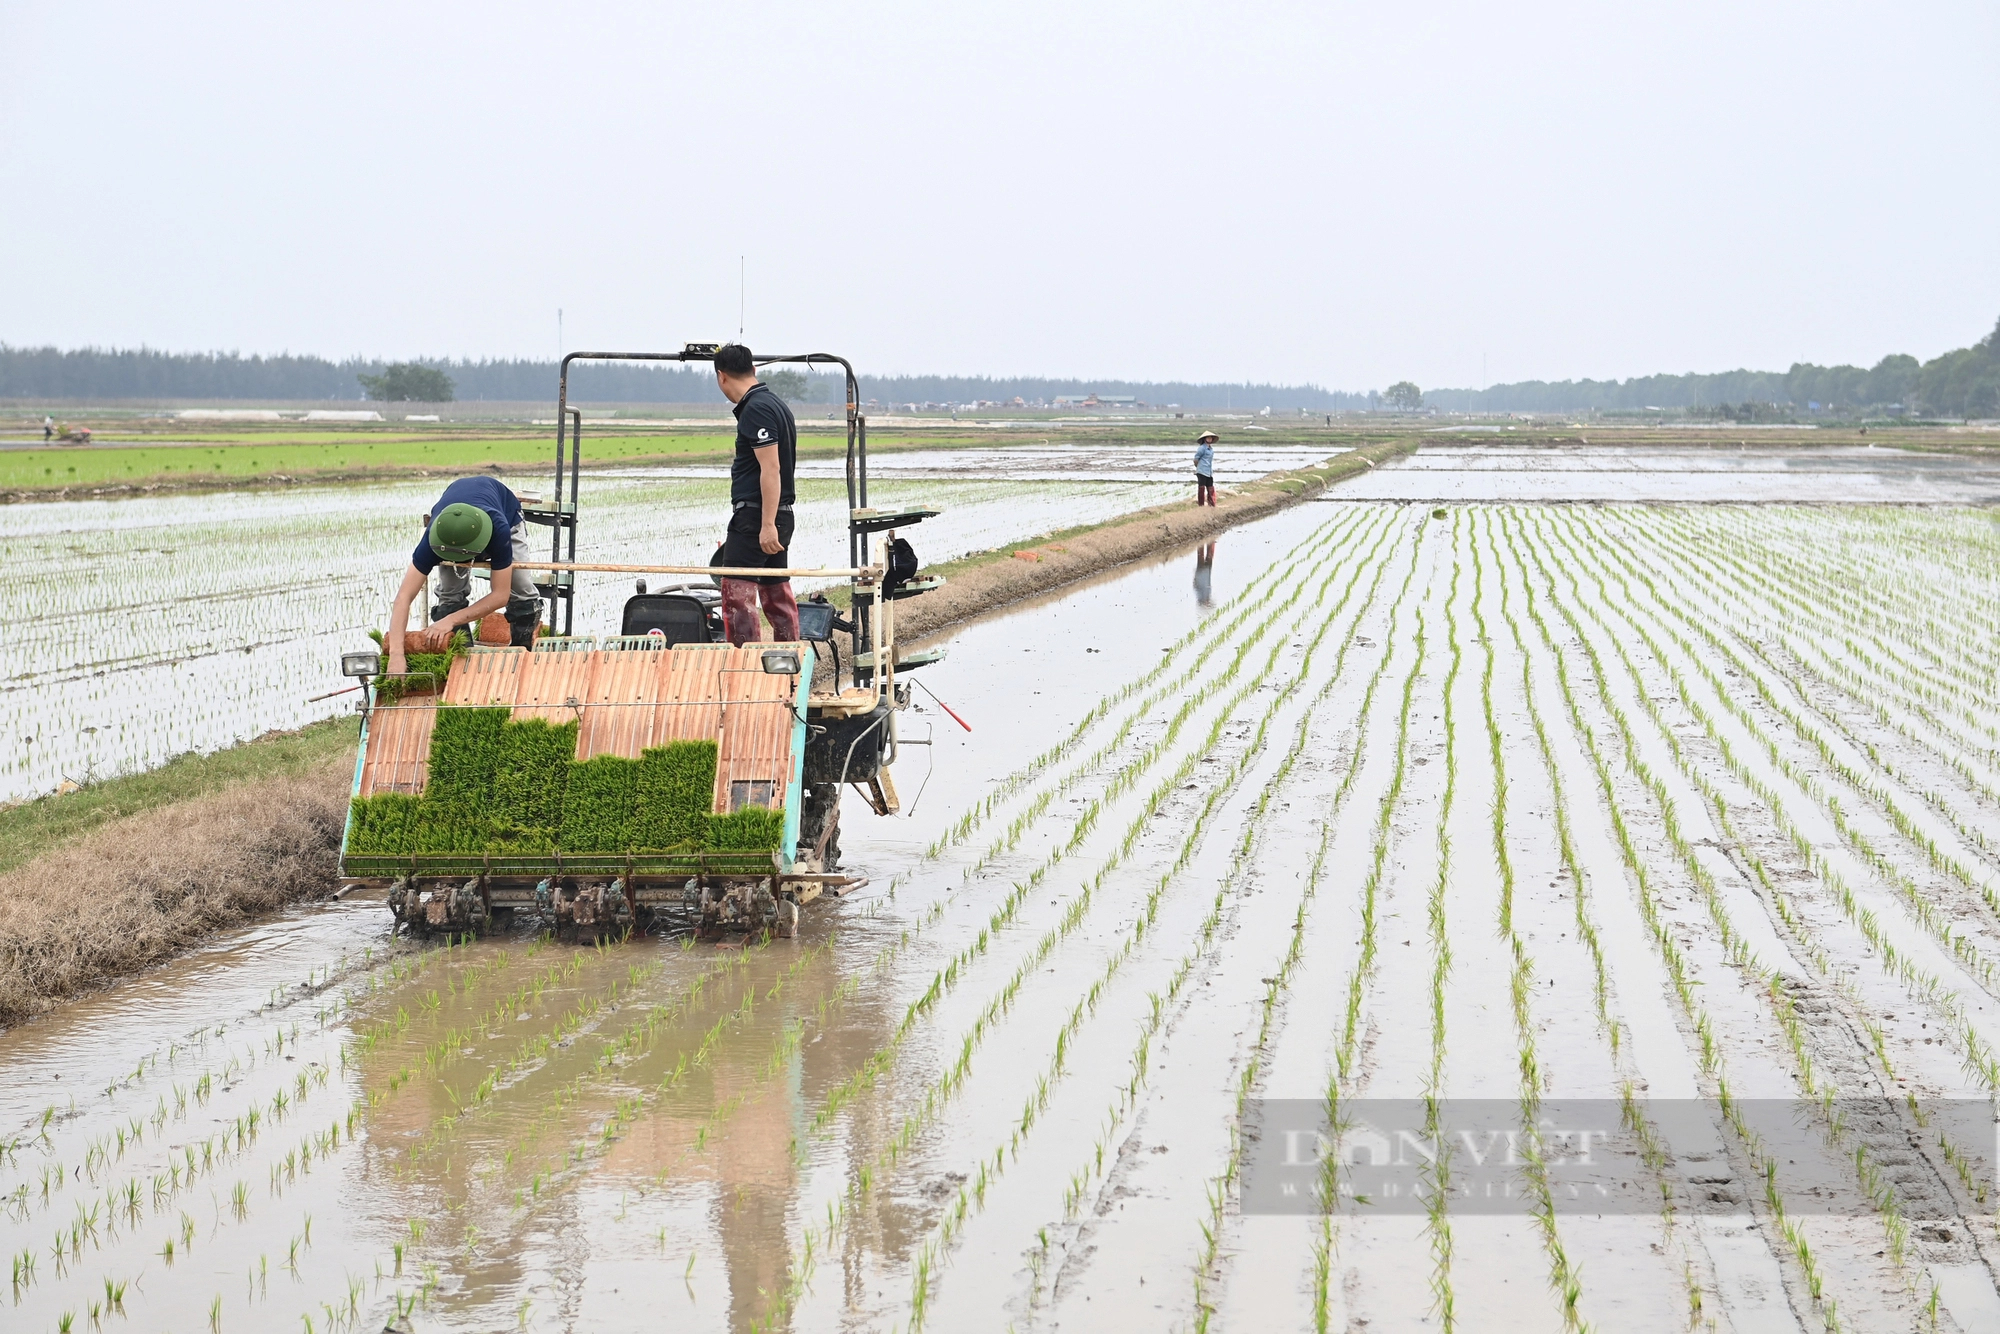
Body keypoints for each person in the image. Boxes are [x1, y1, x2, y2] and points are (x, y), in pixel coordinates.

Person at [383, 476, 541, 673]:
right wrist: (396, 655)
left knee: (521, 587)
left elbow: (500, 595)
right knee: (449, 593)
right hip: (455, 521)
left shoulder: (499, 528)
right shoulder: (435, 538)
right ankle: (462, 658)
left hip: (505, 514)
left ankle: (522, 651)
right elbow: (403, 597)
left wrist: (450, 620)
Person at [713, 344, 800, 645]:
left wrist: (766, 524)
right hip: (777, 514)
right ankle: (789, 662)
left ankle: (743, 664)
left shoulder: (756, 408)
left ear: (721, 377)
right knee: (776, 590)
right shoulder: (775, 403)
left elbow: (771, 468)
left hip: (757, 516)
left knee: (736, 592)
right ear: (754, 370)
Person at [1194, 431, 1217, 507]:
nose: (1209, 439)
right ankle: (1201, 505)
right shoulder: (1202, 448)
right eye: (1208, 438)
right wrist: (1199, 468)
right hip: (1202, 471)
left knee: (1210, 488)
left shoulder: (1211, 449)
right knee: (1201, 488)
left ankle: (1211, 504)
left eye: (1211, 438)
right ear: (1204, 439)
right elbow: (1196, 459)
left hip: (1209, 471)